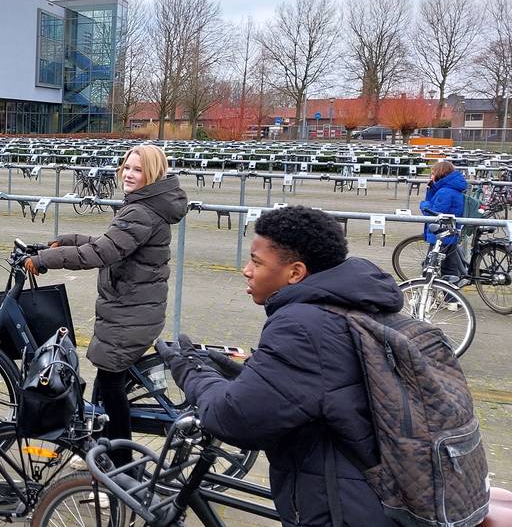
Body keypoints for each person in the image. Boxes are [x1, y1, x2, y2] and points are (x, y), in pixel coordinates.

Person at [157, 206, 398, 526]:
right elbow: (314, 389)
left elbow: (235, 419)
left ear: (295, 273)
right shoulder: (351, 303)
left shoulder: (302, 325)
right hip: (373, 491)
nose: (246, 270)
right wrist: (247, 376)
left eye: (257, 262)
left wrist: (190, 370)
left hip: (338, 508)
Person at [25, 144, 187, 465]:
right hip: (133, 308)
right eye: (126, 167)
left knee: (112, 389)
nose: (128, 174)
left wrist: (45, 259)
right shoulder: (144, 205)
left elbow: (100, 254)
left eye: (137, 170)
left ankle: (122, 468)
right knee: (105, 383)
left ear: (152, 174)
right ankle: (102, 449)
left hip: (130, 314)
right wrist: (68, 239)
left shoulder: (141, 211)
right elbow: (111, 244)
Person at [421, 160, 468, 283]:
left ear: (439, 174)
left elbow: (433, 214)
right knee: (450, 269)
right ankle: (451, 299)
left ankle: (426, 294)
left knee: (430, 266)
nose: (431, 177)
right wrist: (431, 189)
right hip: (451, 234)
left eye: (432, 174)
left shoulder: (445, 192)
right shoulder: (451, 188)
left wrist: (423, 205)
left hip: (441, 234)